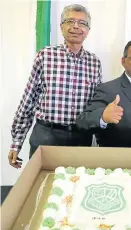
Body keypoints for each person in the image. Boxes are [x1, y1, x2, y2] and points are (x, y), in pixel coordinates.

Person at [8, 4, 102, 168]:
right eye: (70, 21)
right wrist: (16, 142)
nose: (76, 27)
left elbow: (96, 105)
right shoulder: (46, 55)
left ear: (88, 30)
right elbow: (28, 99)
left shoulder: (94, 62)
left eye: (82, 23)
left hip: (81, 137)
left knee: (76, 186)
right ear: (61, 26)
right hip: (47, 135)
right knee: (42, 186)